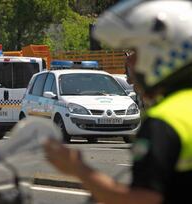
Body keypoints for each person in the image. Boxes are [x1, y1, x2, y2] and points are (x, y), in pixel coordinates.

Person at [44, 1, 192, 204]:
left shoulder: (166, 120)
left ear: (163, 53)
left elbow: (142, 199)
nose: (129, 63)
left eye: (135, 52)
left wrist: (78, 169)